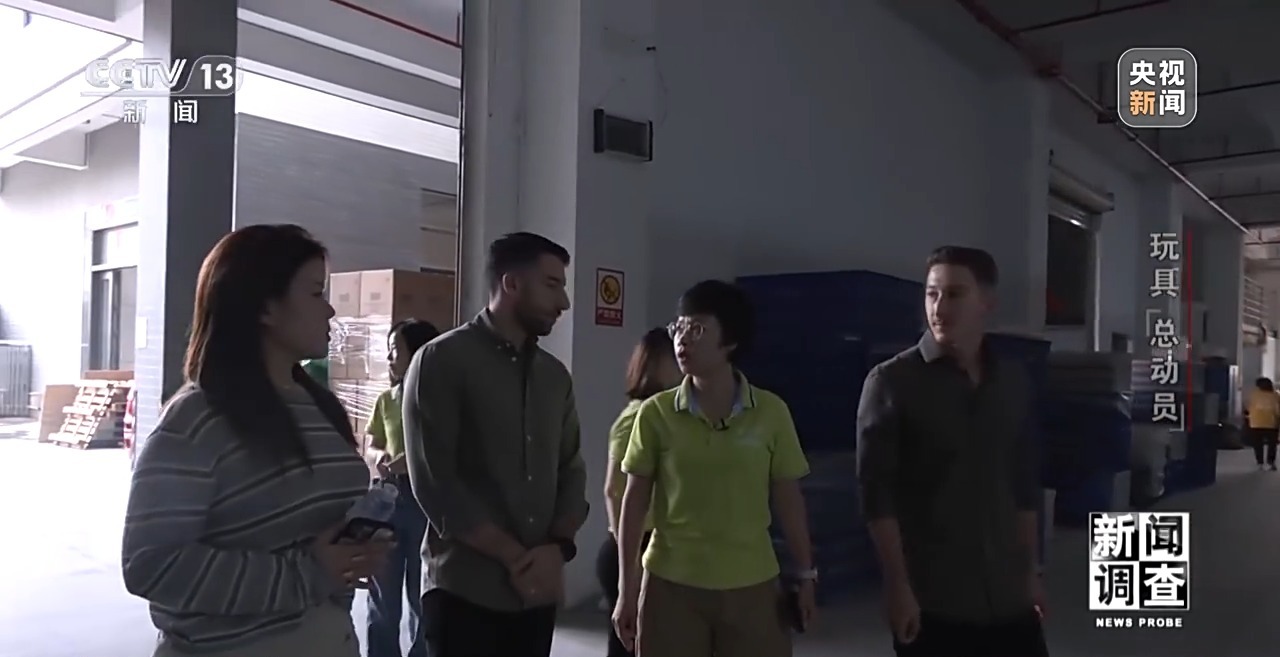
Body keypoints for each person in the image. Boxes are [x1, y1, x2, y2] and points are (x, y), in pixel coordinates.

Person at [121, 224, 391, 657]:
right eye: (315, 292)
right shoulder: (197, 420)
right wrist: (307, 573)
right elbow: (150, 563)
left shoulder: (319, 405)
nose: (330, 311)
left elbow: (317, 534)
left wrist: (352, 551)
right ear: (265, 306)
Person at [402, 231, 588, 657]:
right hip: (465, 591)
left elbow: (571, 468)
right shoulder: (441, 360)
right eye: (552, 285)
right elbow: (436, 483)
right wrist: (516, 557)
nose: (563, 302)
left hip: (536, 591)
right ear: (512, 283)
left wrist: (558, 548)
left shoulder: (554, 377)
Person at [856, 246, 1048, 657]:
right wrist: (898, 586)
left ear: (987, 303)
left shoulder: (1012, 382)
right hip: (936, 599)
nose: (939, 308)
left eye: (955, 294)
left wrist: (1031, 570)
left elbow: (1024, 485)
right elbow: (877, 497)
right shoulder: (892, 382)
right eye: (932, 294)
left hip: (1009, 595)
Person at [613, 280, 816, 657]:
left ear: (731, 341)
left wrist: (805, 573)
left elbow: (789, 499)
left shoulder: (771, 413)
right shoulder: (655, 414)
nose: (682, 339)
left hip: (752, 583)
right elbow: (633, 502)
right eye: (679, 327)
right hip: (670, 583)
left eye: (698, 329)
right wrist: (627, 588)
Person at [597, 327, 680, 657]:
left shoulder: (664, 414)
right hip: (634, 548)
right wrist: (629, 566)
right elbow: (613, 491)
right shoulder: (638, 416)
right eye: (674, 358)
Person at [365, 319, 442, 657]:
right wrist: (379, 457)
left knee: (421, 592)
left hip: (425, 500)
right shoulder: (387, 400)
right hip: (388, 500)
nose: (390, 358)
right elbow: (371, 442)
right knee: (382, 593)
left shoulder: (439, 401)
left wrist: (411, 462)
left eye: (395, 350)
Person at [1244, 377, 1279, 471]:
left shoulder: (1254, 395)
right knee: (1272, 445)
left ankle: (1260, 463)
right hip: (1271, 423)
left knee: (1258, 444)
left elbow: (1248, 407)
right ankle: (1270, 462)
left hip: (1256, 423)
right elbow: (1277, 410)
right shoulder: (1275, 395)